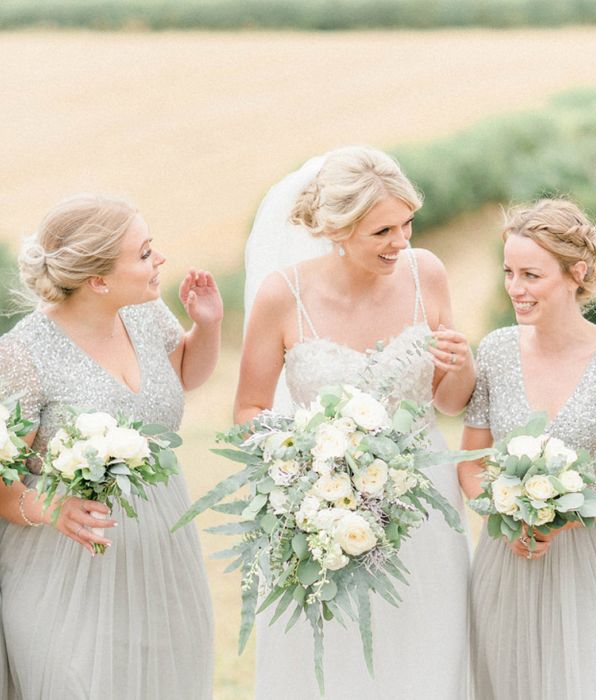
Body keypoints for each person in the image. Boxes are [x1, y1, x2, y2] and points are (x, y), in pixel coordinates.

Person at [235, 146, 476, 699]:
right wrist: (308, 467)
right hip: (323, 509)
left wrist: (462, 366)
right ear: (337, 231)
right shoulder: (282, 295)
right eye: (382, 232)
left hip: (424, 505)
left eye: (407, 224)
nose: (401, 242)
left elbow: (451, 402)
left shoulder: (427, 274)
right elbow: (249, 410)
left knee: (426, 646)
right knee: (336, 655)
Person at [0, 193, 221, 698]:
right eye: (144, 253)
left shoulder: (143, 313)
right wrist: (51, 509)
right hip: (62, 574)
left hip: (163, 559)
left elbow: (183, 374)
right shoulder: (21, 355)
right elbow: (1, 482)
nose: (159, 259)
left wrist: (206, 325)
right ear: (97, 280)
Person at [460, 198, 596, 699]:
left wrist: (566, 517)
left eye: (531, 274)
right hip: (506, 554)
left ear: (577, 272)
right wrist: (502, 513)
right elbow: (471, 462)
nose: (515, 288)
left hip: (589, 559)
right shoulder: (494, 351)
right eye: (509, 272)